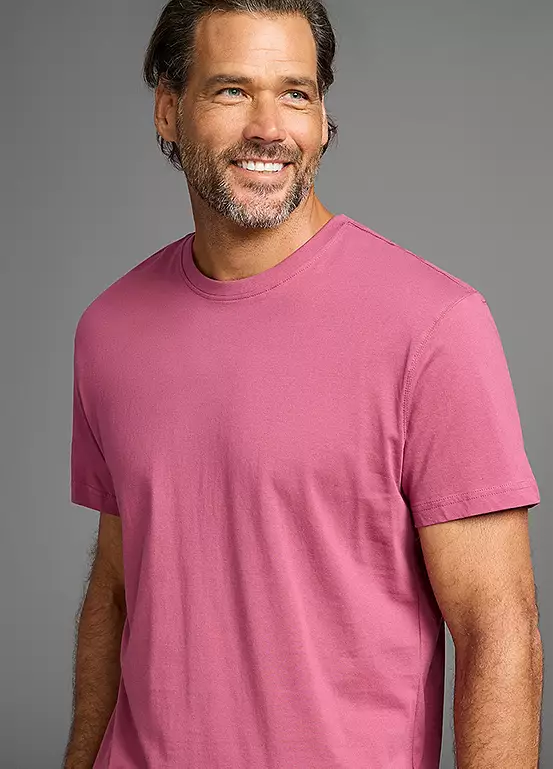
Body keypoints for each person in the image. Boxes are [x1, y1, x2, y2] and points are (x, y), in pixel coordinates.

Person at [65, 1, 542, 767]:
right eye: (231, 90)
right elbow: (117, 589)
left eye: (294, 93)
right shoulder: (108, 330)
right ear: (168, 110)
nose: (268, 127)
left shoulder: (433, 325)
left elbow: (497, 627)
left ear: (321, 119)